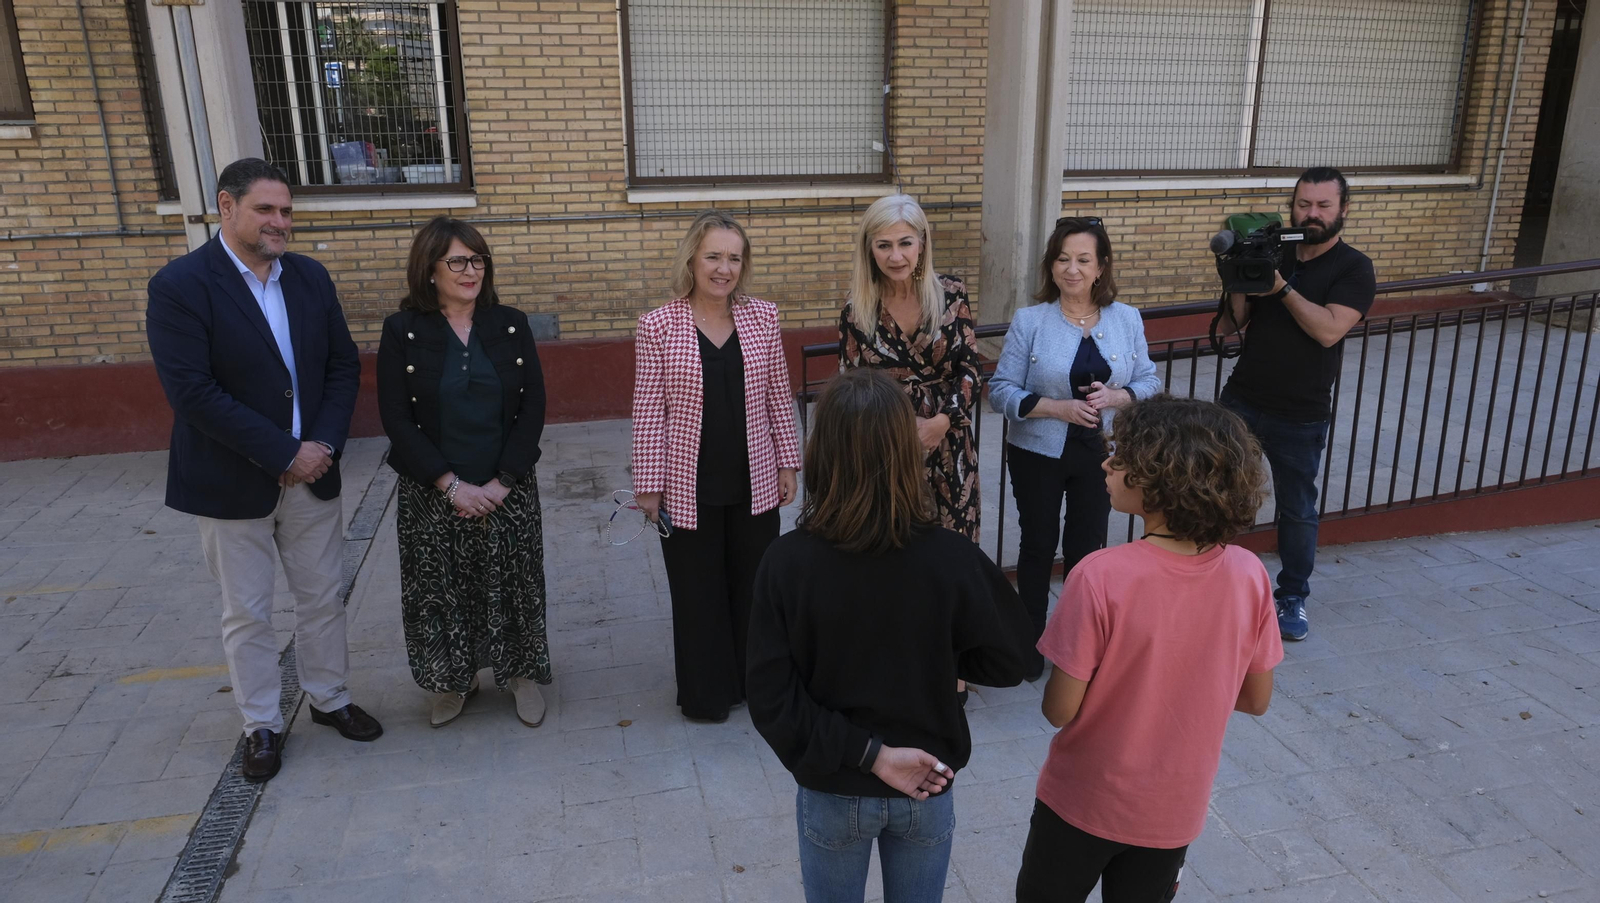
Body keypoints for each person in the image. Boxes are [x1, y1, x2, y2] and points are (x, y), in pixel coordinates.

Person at [748, 368, 1033, 903]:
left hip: (835, 788)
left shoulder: (785, 563)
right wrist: (945, 667)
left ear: (822, 453)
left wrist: (870, 755)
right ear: (907, 453)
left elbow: (770, 699)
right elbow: (1010, 660)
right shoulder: (951, 557)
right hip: (928, 783)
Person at [146, 158, 380, 784]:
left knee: (323, 597)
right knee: (247, 611)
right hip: (231, 482)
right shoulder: (181, 285)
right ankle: (261, 725)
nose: (280, 222)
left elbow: (340, 367)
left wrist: (323, 443)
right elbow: (193, 392)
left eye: (287, 211)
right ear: (227, 206)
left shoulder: (307, 278)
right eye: (266, 210)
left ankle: (330, 699)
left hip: (313, 472)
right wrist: (284, 451)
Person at [1015, 396, 1280, 903]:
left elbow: (1059, 709)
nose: (1106, 464)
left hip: (1083, 802)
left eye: (1121, 457)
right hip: (1174, 810)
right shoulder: (1250, 575)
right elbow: (1255, 699)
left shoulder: (1098, 575)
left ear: (1160, 480)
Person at [376, 216, 551, 728]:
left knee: (513, 583)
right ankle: (455, 680)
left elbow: (533, 407)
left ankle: (521, 676)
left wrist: (503, 482)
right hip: (432, 490)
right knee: (442, 589)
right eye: (457, 260)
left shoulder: (510, 323)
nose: (470, 270)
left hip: (507, 485)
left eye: (477, 259)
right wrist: (449, 484)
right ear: (429, 269)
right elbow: (396, 417)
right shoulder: (403, 330)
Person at [631, 210, 802, 723]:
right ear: (692, 258)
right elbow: (648, 409)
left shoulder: (762, 317)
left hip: (754, 476)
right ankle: (706, 694)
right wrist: (647, 485)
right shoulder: (658, 324)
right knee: (697, 592)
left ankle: (753, 685)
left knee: (753, 587)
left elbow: (777, 393)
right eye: (713, 256)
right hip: (686, 483)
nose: (723, 268)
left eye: (734, 257)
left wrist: (789, 461)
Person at [989, 216, 1161, 680]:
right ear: (1051, 265)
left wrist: (1117, 397)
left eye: (1083, 259)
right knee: (1038, 545)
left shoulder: (1126, 318)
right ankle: (1029, 643)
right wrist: (1055, 408)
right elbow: (1000, 391)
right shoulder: (1031, 321)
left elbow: (1149, 380)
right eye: (1063, 259)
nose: (1072, 269)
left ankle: (1080, 645)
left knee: (1088, 550)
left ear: (1101, 266)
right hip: (1037, 453)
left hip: (1101, 455)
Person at [1217, 166, 1377, 642]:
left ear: (1343, 210)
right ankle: (1208, 583)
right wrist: (1239, 278)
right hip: (1243, 397)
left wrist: (1281, 287)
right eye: (1304, 204)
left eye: (1323, 206)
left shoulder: (1353, 267)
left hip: (1301, 412)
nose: (1312, 214)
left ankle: (1292, 596)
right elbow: (1230, 326)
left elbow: (1329, 329)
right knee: (1212, 491)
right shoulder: (1273, 249)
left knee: (1297, 508)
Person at [839, 193, 982, 543]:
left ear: (922, 242)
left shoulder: (951, 294)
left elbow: (971, 369)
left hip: (950, 443)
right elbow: (851, 385)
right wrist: (900, 428)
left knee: (953, 548)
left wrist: (941, 422)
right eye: (884, 245)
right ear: (869, 250)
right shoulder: (857, 310)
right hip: (885, 446)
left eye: (905, 242)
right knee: (893, 547)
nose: (896, 256)